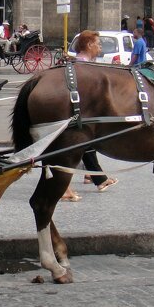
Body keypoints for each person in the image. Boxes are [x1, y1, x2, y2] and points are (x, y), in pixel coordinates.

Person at [61, 30, 118, 201]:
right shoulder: (83, 66)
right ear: (89, 45)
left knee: (86, 146)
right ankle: (67, 187)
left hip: (80, 113)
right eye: (98, 44)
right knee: (74, 148)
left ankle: (94, 177)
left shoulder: (81, 63)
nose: (100, 48)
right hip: (78, 113)